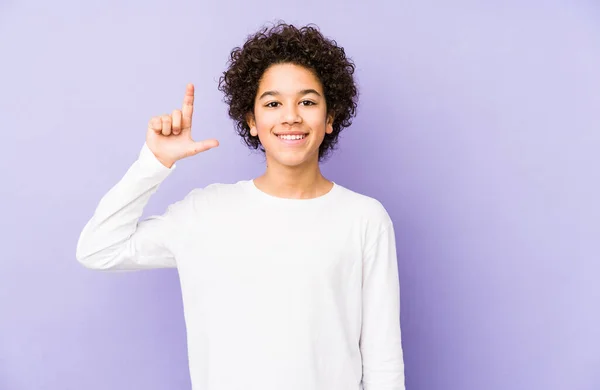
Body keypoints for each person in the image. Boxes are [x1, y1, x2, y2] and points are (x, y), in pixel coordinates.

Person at [76, 22, 405, 390]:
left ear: (329, 118)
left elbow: (383, 361)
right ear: (251, 120)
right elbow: (99, 249)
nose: (291, 116)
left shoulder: (364, 218)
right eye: (273, 103)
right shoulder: (206, 212)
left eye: (308, 102)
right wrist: (154, 163)